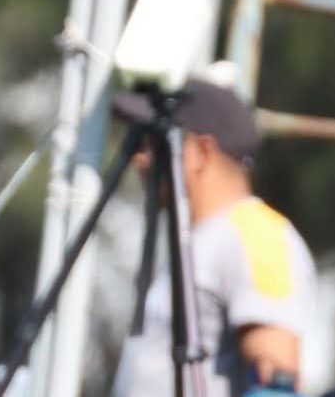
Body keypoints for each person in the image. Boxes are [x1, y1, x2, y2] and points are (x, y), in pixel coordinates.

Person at [110, 78, 317, 397]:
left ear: (202, 151)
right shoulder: (200, 239)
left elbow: (276, 380)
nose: (140, 158)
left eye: (152, 142)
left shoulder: (257, 234)